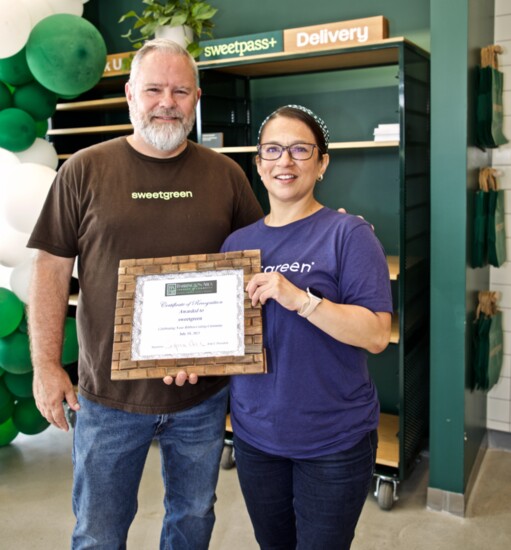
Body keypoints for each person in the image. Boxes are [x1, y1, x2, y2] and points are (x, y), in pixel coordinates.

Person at [27, 39, 263, 549]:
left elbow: (256, 265)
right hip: (108, 399)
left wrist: (326, 228)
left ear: (196, 99)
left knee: (193, 518)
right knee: (98, 530)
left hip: (201, 397)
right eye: (154, 88)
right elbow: (50, 267)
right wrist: (46, 365)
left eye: (179, 91)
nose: (166, 101)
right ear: (131, 93)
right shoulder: (84, 170)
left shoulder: (225, 176)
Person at [220, 105, 393, 550]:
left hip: (333, 439)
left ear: (322, 162)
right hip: (256, 437)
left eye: (300, 149)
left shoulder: (349, 234)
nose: (286, 161)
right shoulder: (237, 245)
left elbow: (375, 334)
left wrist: (300, 299)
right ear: (258, 164)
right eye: (273, 150)